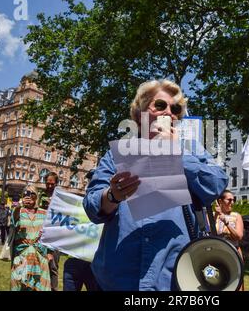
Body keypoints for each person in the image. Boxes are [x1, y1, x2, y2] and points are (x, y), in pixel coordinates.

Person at [83, 79, 228, 291]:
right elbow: (92, 207)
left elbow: (216, 184)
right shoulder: (118, 154)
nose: (169, 112)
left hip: (173, 280)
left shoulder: (191, 150)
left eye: (175, 108)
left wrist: (176, 154)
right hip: (118, 280)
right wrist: (112, 195)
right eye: (160, 105)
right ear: (140, 113)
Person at [10, 185, 50, 291]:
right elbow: (14, 223)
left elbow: (50, 234)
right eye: (26, 194)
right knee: (20, 285)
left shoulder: (44, 213)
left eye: (32, 194)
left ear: (36, 196)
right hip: (22, 256)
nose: (29, 196)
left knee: (39, 286)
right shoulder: (18, 211)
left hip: (39, 256)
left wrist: (50, 252)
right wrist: (20, 205)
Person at [39, 172, 61, 291]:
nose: (50, 186)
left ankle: (54, 288)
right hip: (41, 235)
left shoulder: (60, 196)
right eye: (48, 183)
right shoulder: (40, 195)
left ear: (56, 184)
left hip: (55, 236)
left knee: (53, 266)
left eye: (52, 184)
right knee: (40, 262)